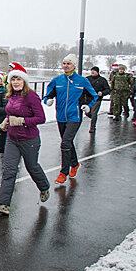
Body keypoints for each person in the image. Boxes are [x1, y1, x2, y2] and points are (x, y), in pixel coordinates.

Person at [0, 65, 50, 216]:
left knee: (32, 167)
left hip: (29, 139)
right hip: (12, 138)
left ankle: (44, 186)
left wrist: (22, 121)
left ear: (24, 81)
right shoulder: (11, 94)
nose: (16, 82)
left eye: (18, 79)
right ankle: (3, 204)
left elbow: (41, 118)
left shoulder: (31, 96)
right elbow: (10, 111)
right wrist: (6, 121)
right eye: (13, 79)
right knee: (9, 170)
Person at [44, 54, 98, 185]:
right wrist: (48, 101)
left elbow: (94, 96)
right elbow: (47, 95)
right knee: (67, 142)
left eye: (68, 63)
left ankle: (64, 172)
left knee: (65, 143)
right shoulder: (57, 80)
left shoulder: (82, 81)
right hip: (61, 116)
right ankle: (75, 164)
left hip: (75, 116)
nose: (65, 66)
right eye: (64, 63)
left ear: (74, 65)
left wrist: (88, 106)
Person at [85, 66, 111, 133]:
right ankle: (93, 118)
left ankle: (92, 127)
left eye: (94, 71)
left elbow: (108, 89)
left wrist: (102, 93)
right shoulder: (87, 79)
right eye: (92, 71)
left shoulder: (102, 80)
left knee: (94, 113)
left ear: (97, 72)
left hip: (97, 99)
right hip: (88, 99)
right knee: (87, 113)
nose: (92, 72)